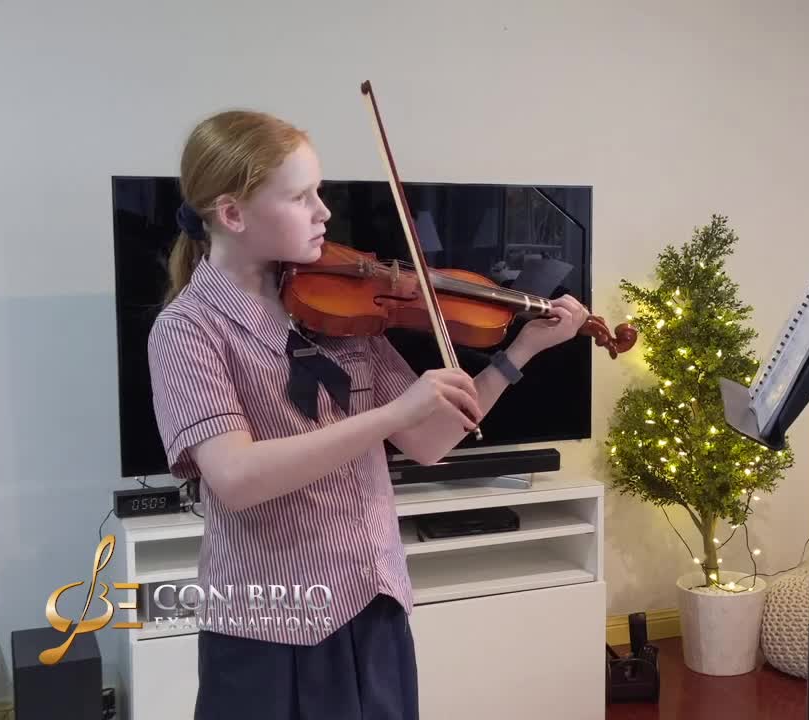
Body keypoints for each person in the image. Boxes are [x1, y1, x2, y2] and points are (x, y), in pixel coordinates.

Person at [146, 109, 588, 720]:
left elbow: (428, 440)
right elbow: (236, 477)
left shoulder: (336, 301)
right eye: (300, 197)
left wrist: (519, 353)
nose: (323, 212)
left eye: (319, 191)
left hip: (373, 599)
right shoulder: (187, 330)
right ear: (233, 214)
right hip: (272, 623)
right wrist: (387, 416)